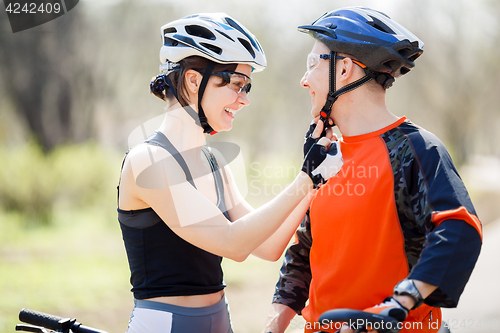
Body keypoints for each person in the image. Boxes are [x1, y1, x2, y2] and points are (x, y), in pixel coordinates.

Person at [117, 13, 343, 333]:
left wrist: (316, 180)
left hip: (220, 320)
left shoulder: (214, 164)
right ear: (194, 81)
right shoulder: (148, 161)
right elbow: (233, 244)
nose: (245, 100)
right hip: (164, 325)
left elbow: (268, 246)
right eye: (237, 84)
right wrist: (305, 177)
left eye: (247, 87)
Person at [262, 7, 482, 333]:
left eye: (312, 64)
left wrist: (398, 305)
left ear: (345, 68)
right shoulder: (324, 156)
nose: (304, 79)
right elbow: (307, 247)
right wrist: (276, 321)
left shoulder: (415, 149)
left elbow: (460, 229)